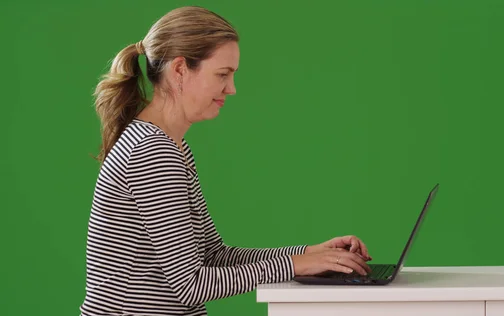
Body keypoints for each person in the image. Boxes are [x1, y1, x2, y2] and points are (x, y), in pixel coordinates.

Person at [80, 6, 373, 316]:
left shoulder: (172, 147)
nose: (231, 89)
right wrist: (296, 265)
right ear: (180, 70)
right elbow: (193, 284)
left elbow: (212, 255)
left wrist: (311, 254)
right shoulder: (151, 152)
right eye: (222, 74)